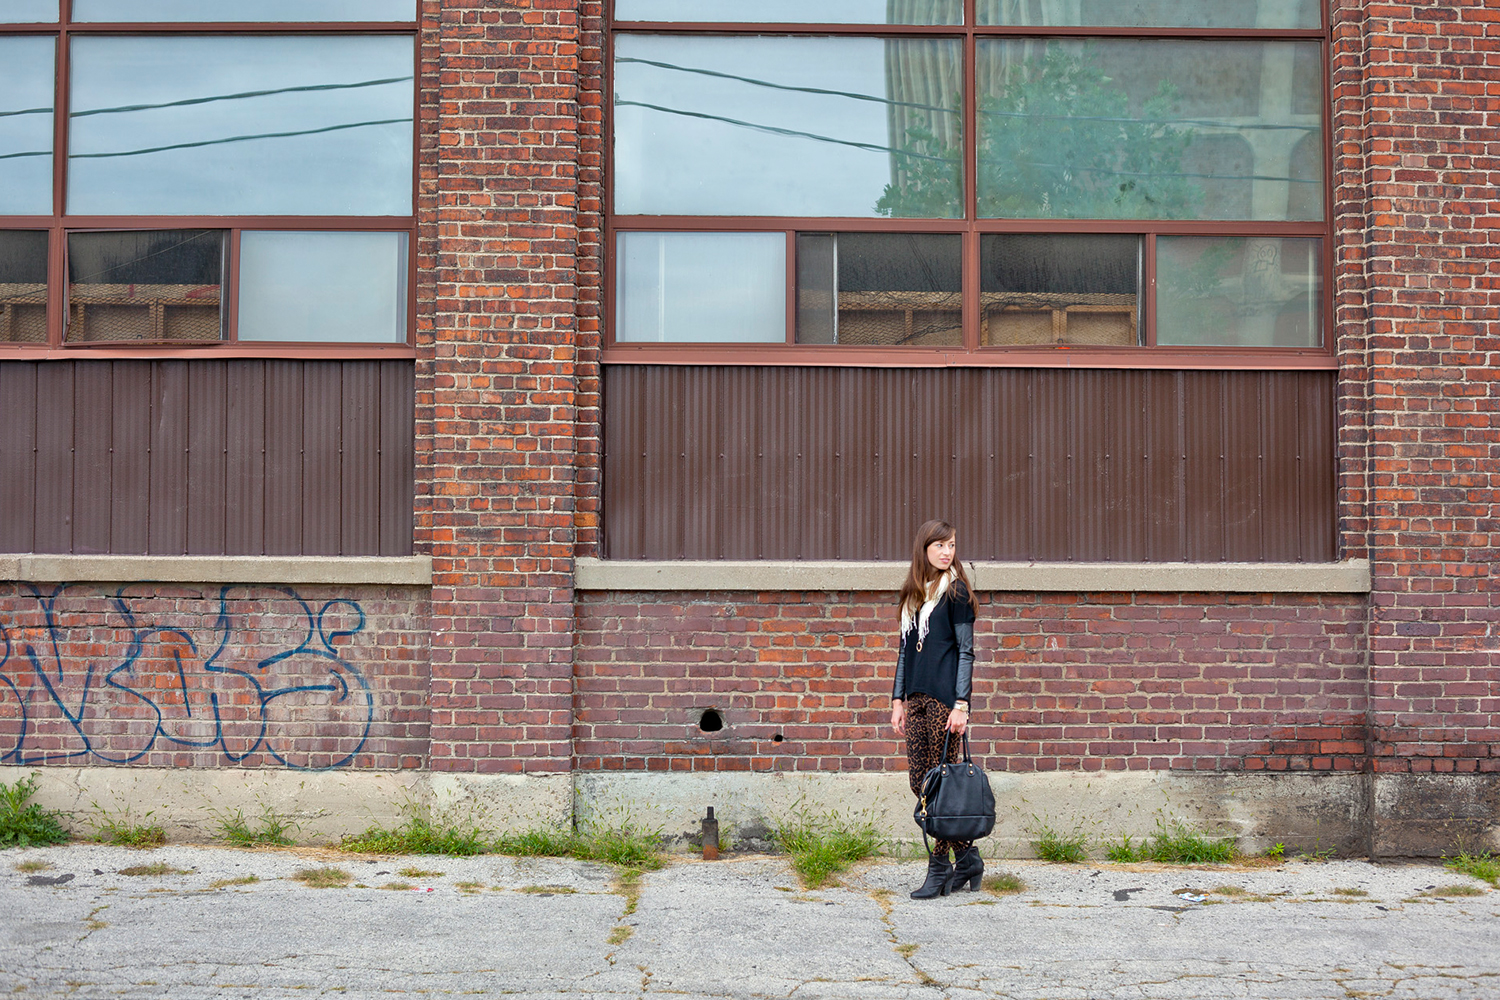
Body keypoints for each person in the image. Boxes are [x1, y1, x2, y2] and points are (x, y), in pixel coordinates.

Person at [890, 518, 980, 899]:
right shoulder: (914, 596)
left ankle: (940, 869)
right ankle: (969, 857)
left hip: (945, 703)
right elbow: (904, 653)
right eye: (940, 546)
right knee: (919, 783)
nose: (947, 553)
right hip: (917, 701)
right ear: (924, 549)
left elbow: (966, 651)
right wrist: (897, 699)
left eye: (953, 546)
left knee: (938, 788)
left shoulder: (956, 592)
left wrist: (961, 705)